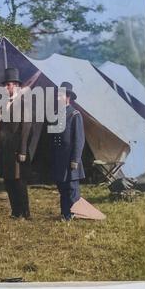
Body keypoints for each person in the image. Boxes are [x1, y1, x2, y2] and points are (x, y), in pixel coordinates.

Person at [0, 68, 32, 219]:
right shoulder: (3, 104)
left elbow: (25, 129)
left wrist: (23, 151)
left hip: (17, 150)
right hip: (5, 150)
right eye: (5, 85)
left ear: (17, 86)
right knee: (8, 181)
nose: (6, 88)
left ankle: (25, 212)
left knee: (19, 182)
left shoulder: (23, 104)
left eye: (8, 84)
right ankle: (15, 212)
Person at [51, 82, 85, 221]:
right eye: (57, 94)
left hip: (70, 158)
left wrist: (75, 159)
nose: (57, 97)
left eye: (60, 95)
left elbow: (79, 139)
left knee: (71, 188)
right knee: (62, 187)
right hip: (59, 158)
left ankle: (73, 213)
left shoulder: (75, 114)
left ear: (68, 97)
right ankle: (65, 213)